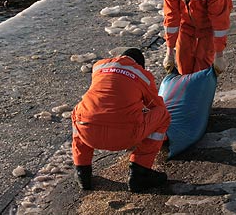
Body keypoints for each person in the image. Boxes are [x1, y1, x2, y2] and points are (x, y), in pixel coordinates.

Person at [71, 48, 171, 192]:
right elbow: (155, 106)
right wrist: (164, 138)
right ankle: (140, 172)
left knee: (82, 112)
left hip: (88, 134)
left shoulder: (98, 66)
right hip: (125, 136)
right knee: (162, 114)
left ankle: (82, 172)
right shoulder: (142, 75)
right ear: (139, 65)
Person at [163, 0, 233, 75]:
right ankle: (186, 90)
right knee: (183, 59)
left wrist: (219, 55)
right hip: (186, 20)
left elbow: (219, 17)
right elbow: (171, 15)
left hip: (209, 22)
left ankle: (199, 89)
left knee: (203, 61)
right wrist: (169, 52)